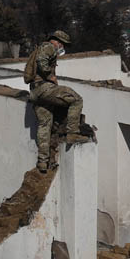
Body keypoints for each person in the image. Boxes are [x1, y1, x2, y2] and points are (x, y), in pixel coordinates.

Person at [25, 30, 88, 173]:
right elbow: (42, 62)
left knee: (44, 125)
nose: (62, 47)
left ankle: (42, 161)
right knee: (76, 100)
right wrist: (51, 77)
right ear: (58, 42)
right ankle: (72, 132)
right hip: (44, 88)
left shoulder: (40, 47)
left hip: (35, 92)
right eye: (63, 44)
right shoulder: (48, 47)